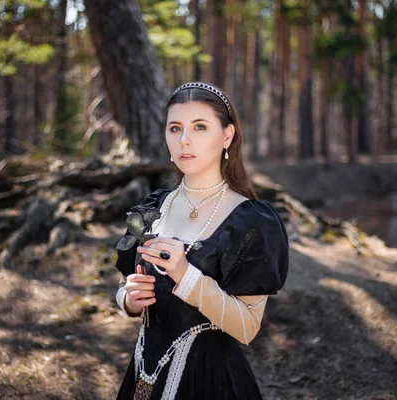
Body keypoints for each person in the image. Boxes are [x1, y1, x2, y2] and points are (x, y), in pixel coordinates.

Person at [114, 82, 289, 400]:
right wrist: (127, 300)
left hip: (210, 382)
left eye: (200, 127)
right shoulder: (154, 208)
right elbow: (128, 288)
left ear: (227, 135)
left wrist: (187, 276)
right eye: (175, 128)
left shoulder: (251, 222)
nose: (184, 140)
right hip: (142, 375)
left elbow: (248, 327)